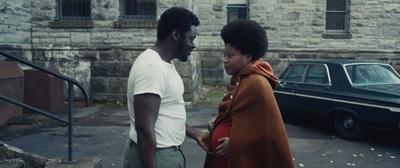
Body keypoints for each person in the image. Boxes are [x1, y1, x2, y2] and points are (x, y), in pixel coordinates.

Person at [124, 7, 209, 168]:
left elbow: (165, 114)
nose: (193, 45)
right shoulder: (152, 68)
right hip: (156, 157)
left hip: (164, 154)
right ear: (176, 35)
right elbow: (144, 128)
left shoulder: (162, 64)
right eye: (191, 38)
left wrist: (195, 133)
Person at [204, 20, 294, 168]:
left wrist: (235, 142)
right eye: (224, 54)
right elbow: (239, 116)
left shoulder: (257, 82)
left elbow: (269, 131)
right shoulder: (240, 79)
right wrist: (218, 121)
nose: (225, 60)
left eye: (230, 55)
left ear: (248, 56)